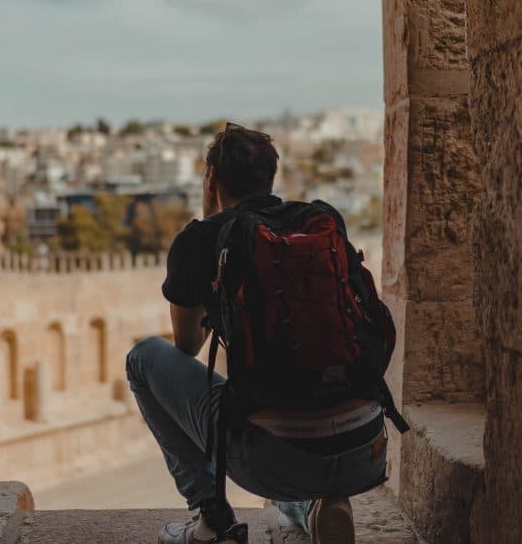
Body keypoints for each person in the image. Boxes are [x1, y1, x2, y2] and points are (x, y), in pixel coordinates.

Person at [126, 124, 397, 544]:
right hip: (366, 451)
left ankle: (210, 519)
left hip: (273, 461)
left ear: (213, 179)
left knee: (143, 359)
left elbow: (186, 348)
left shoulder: (200, 239)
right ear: (271, 177)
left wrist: (206, 230)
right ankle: (315, 506)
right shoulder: (319, 220)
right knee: (288, 424)